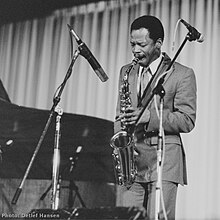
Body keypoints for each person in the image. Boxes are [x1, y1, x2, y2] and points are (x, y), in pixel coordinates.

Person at [113, 15, 197, 219]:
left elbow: (187, 120)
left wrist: (150, 116)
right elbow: (119, 115)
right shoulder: (127, 71)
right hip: (132, 163)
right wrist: (120, 148)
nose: (135, 50)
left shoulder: (182, 74)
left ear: (158, 43)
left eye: (141, 44)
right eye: (132, 44)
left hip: (164, 160)